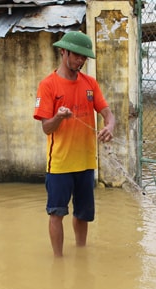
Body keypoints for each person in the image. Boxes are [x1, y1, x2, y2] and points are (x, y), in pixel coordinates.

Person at [33, 31, 116, 257]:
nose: (80, 61)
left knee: (83, 214)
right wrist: (59, 117)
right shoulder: (48, 86)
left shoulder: (90, 84)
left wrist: (109, 126)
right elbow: (46, 128)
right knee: (57, 213)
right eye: (77, 55)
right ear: (63, 51)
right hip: (59, 163)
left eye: (84, 58)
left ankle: (81, 254)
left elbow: (108, 113)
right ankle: (58, 261)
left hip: (86, 162)